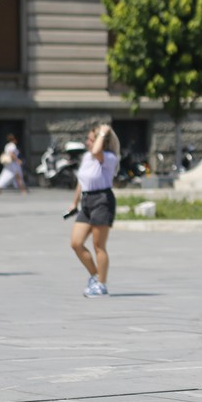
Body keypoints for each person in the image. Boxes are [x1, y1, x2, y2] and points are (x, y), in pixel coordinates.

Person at [68, 124, 119, 298]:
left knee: (99, 246)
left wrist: (104, 132)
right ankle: (95, 275)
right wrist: (74, 203)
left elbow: (97, 150)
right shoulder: (87, 157)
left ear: (102, 142)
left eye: (92, 139)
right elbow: (82, 180)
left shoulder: (108, 157)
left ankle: (102, 285)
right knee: (76, 243)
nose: (88, 142)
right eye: (89, 139)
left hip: (102, 200)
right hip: (87, 201)